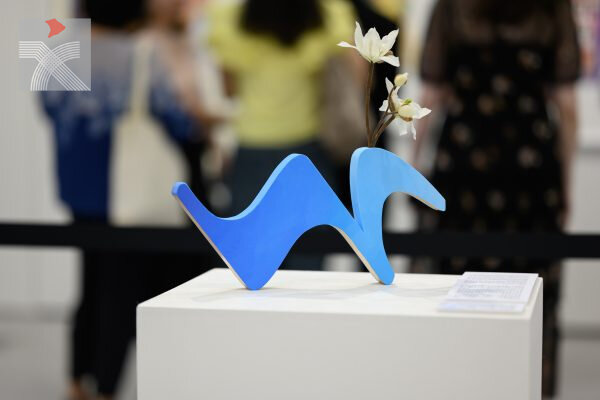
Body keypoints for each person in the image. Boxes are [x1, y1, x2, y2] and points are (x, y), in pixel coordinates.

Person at [41, 0, 215, 398]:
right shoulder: (140, 54)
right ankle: (106, 386)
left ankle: (76, 379)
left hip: (74, 188)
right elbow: (176, 119)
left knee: (88, 283)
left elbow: (47, 111)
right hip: (125, 191)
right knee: (118, 292)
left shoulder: (52, 51)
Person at [413, 0, 580, 397]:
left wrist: (415, 168)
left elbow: (432, 94)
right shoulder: (552, 8)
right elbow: (566, 104)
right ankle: (527, 386)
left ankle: (457, 385)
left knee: (455, 287)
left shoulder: (451, 7)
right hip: (530, 168)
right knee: (530, 290)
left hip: (464, 164)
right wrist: (566, 182)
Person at [207, 0, 357, 268]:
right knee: (307, 258)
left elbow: (229, 89)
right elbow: (358, 73)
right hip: (306, 150)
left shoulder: (229, 17)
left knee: (252, 259)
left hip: (251, 151)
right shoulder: (326, 13)